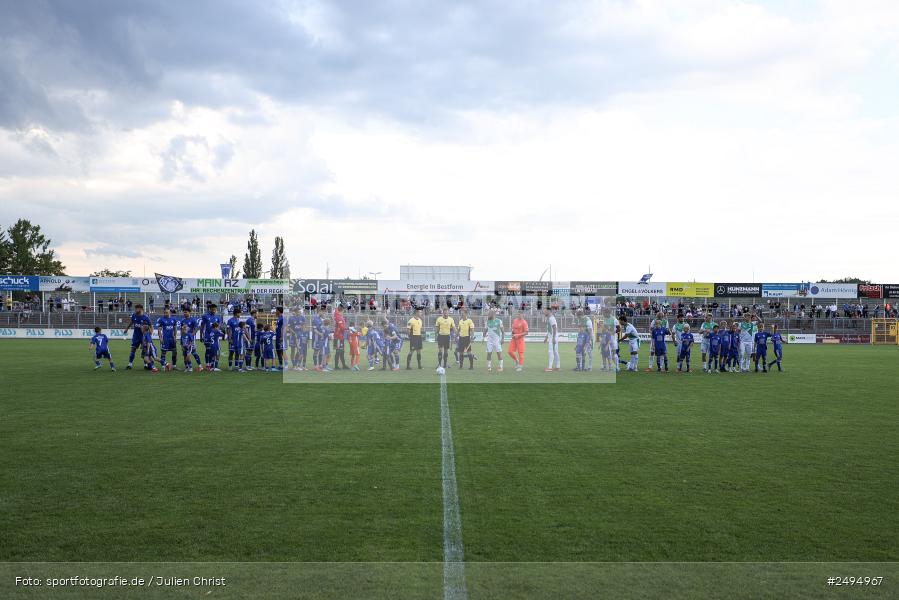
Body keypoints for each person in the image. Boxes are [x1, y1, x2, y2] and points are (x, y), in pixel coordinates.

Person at [122, 304, 152, 369]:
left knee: (144, 350)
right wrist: (127, 328)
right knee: (133, 349)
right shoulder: (134, 315)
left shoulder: (146, 317)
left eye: (136, 309)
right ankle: (130, 364)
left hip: (143, 337)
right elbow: (131, 322)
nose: (135, 310)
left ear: (141, 309)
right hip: (136, 336)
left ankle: (145, 365)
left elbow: (150, 326)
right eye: (135, 308)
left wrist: (150, 334)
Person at [544, 307, 560, 372]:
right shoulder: (550, 318)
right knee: (555, 352)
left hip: (553, 337)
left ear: (548, 311)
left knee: (551, 352)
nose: (544, 312)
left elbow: (555, 328)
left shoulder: (551, 318)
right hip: (552, 337)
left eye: (545, 311)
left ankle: (550, 367)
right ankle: (557, 367)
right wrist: (546, 337)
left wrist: (553, 338)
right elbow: (549, 330)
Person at [275, 306, 285, 371]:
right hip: (277, 337)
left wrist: (282, 336)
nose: (275, 312)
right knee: (278, 351)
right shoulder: (279, 318)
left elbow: (284, 328)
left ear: (279, 311)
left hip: (280, 337)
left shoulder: (282, 318)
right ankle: (281, 364)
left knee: (281, 351)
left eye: (276, 310)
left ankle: (285, 364)